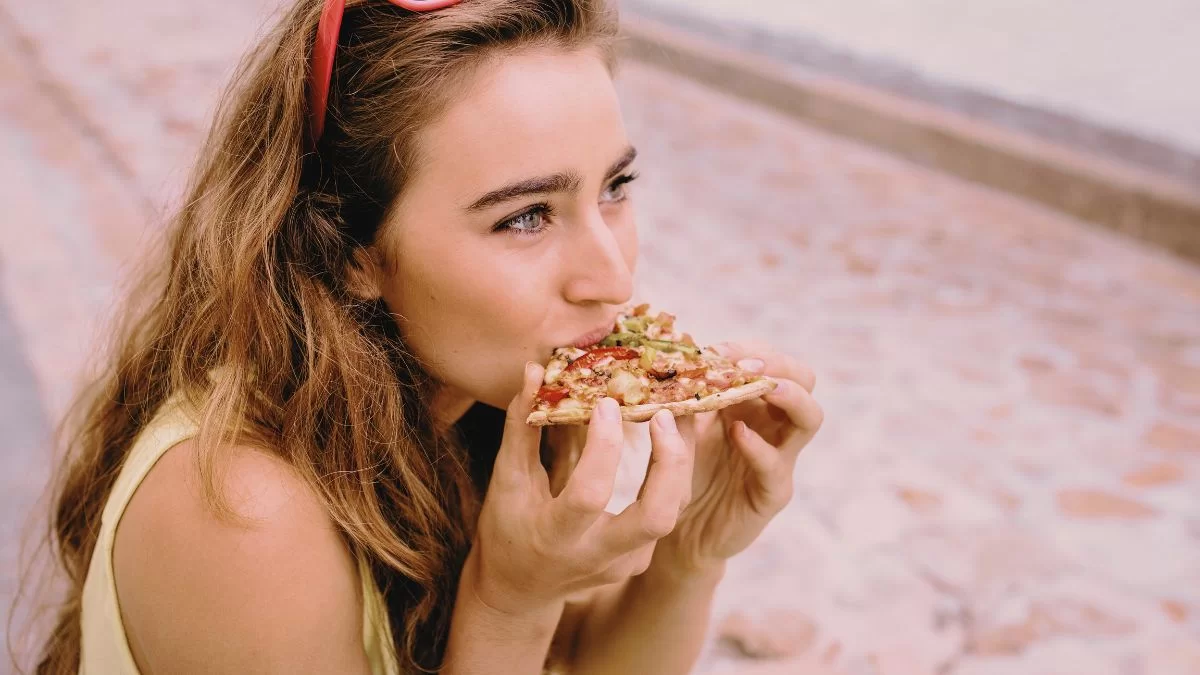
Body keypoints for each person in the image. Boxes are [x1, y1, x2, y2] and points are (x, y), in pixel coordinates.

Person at [26, 0, 823, 673]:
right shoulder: (244, 513)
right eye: (525, 216)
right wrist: (509, 606)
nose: (611, 276)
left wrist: (688, 557)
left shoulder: (477, 406)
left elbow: (581, 657)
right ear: (352, 252)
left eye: (615, 187)